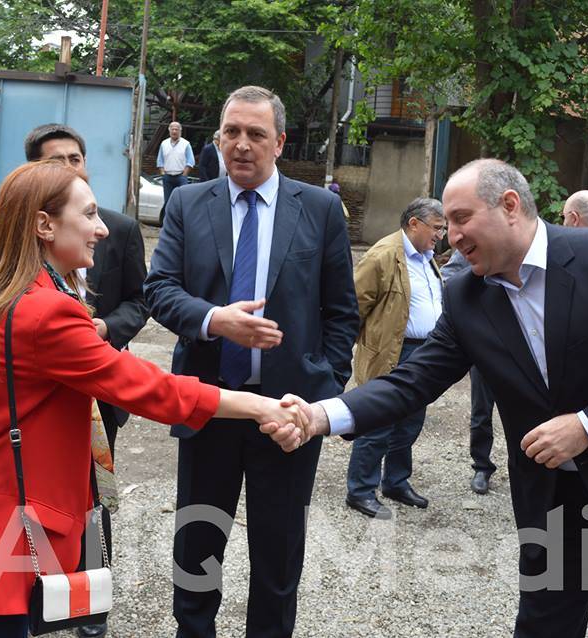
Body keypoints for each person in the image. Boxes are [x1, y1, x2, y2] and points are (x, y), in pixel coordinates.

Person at [268, 158, 588, 638]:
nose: (451, 236)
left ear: (510, 205)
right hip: (556, 497)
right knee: (544, 629)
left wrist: (586, 426)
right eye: (446, 224)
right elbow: (412, 381)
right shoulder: (466, 296)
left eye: (461, 218)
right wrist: (320, 415)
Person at [0, 160, 305, 637]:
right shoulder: (46, 311)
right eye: (89, 214)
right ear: (45, 225)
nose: (103, 228)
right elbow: (144, 386)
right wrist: (259, 406)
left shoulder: (20, 291)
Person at [145, 85, 358, 638]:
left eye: (255, 134)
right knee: (197, 546)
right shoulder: (189, 203)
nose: (241, 144)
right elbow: (159, 289)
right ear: (217, 139)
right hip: (209, 405)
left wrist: (324, 387)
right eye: (231, 132)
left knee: (278, 555)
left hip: (287, 413)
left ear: (280, 142)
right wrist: (216, 319)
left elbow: (342, 313)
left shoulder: (319, 208)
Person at [24, 123, 151, 638]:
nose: (68, 168)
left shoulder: (116, 228)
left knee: (94, 499)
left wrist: (104, 329)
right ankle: (31, 595)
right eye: (54, 161)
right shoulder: (18, 236)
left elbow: (141, 300)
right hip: (40, 400)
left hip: (99, 396)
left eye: (74, 159)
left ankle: (90, 606)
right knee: (37, 498)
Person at [345, 197, 444, 519]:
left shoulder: (427, 257)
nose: (440, 235)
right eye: (437, 228)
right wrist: (353, 351)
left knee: (411, 421)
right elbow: (354, 308)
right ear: (414, 224)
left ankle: (396, 482)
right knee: (378, 420)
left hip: (424, 352)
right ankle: (360, 490)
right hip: (392, 351)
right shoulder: (382, 255)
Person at [440, 249, 496, 495]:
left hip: (520, 348)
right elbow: (447, 276)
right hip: (483, 347)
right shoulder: (474, 246)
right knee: (481, 411)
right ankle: (482, 467)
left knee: (525, 411)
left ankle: (528, 465)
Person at [157, 121, 195, 213]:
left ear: (180, 131)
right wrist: (163, 174)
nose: (174, 131)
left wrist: (184, 175)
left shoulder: (186, 144)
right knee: (168, 202)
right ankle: (167, 220)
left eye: (176, 129)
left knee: (182, 201)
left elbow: (191, 161)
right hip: (167, 177)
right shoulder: (164, 144)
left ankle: (181, 221)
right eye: (172, 129)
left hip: (181, 177)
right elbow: (160, 161)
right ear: (169, 130)